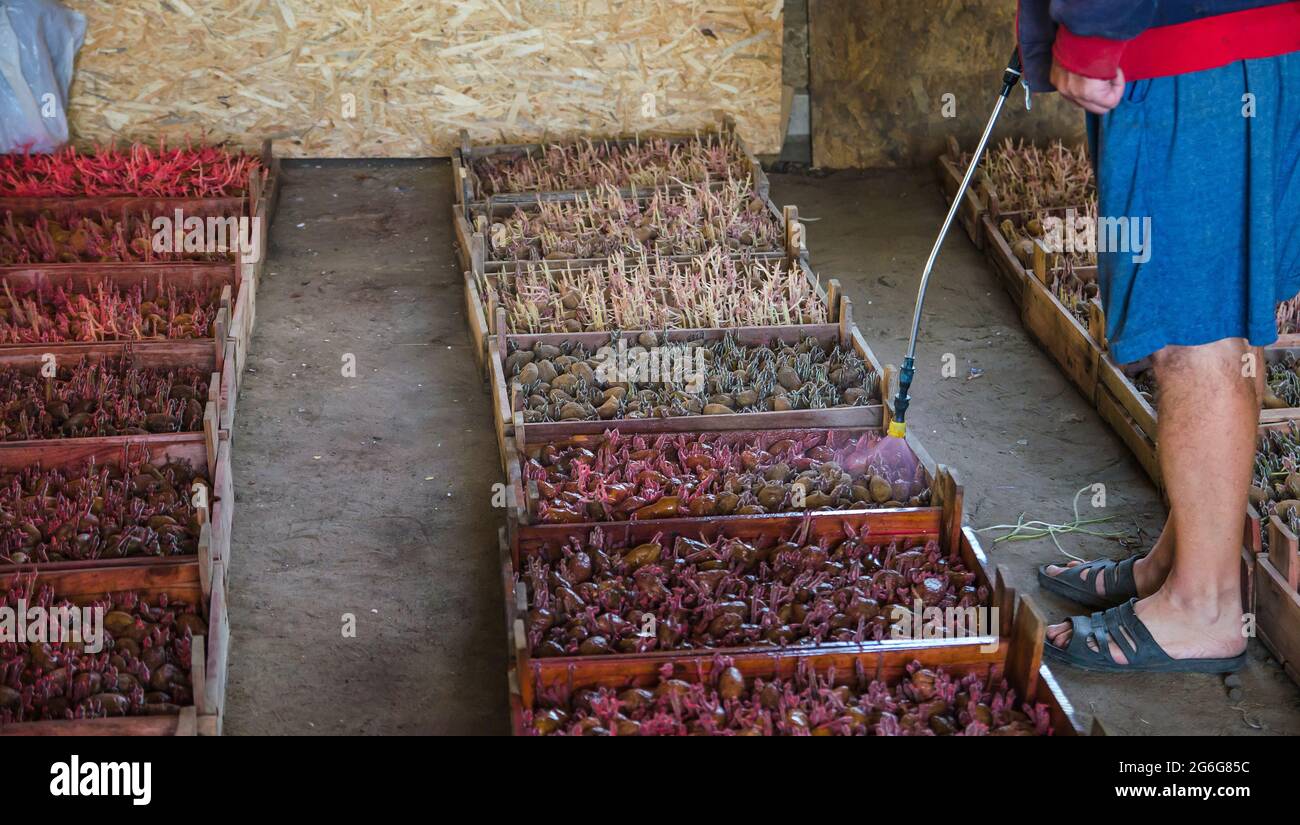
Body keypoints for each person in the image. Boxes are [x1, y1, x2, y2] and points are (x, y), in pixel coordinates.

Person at [1018, 0, 1300, 672]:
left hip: (1196, 54)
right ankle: (1184, 564)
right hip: (1240, 44)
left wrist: (1089, 29)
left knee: (1193, 333)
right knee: (1225, 311)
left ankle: (1203, 605)